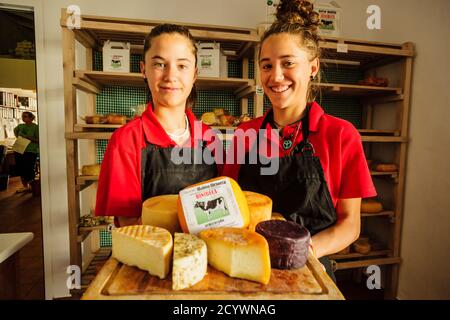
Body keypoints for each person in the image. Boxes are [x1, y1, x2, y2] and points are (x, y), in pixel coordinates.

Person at [223, 0, 376, 280]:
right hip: (246, 265)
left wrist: (300, 253)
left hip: (310, 266)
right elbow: (229, 208)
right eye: (267, 65)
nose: (276, 76)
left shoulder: (341, 135)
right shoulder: (245, 134)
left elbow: (350, 225)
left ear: (313, 67)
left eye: (288, 63)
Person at [95, 24, 223, 227]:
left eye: (182, 66)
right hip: (147, 256)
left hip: (205, 255)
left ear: (195, 74)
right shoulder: (126, 140)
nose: (170, 76)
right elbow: (127, 223)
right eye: (159, 64)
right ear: (143, 70)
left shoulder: (209, 138)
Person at [13, 111, 39, 193]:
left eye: (26, 116)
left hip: (31, 151)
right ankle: (25, 186)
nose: (24, 118)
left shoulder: (35, 127)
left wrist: (27, 137)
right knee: (21, 169)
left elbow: (38, 140)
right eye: (23, 116)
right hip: (20, 149)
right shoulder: (20, 126)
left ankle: (33, 187)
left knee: (29, 169)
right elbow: (15, 132)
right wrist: (19, 137)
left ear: (31, 118)